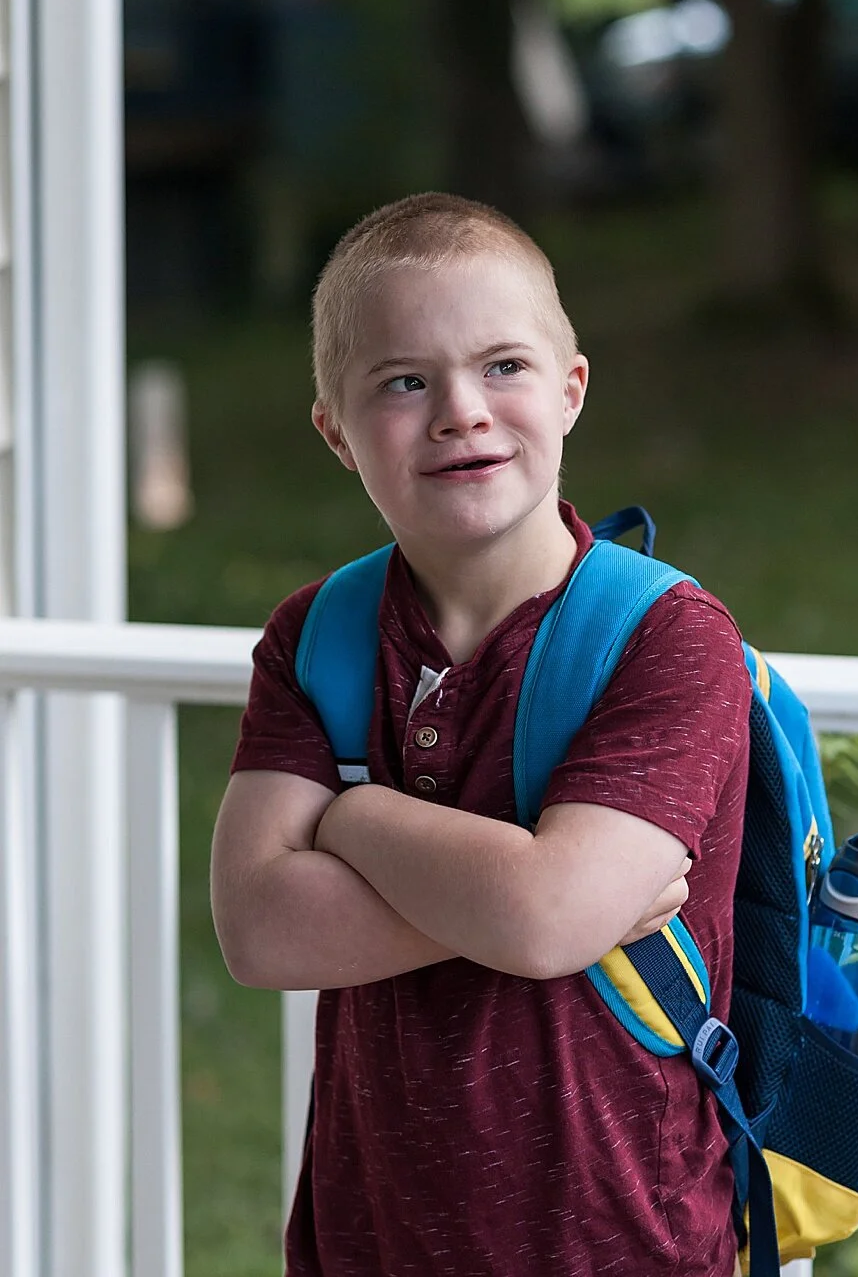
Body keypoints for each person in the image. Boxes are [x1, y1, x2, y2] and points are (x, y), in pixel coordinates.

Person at [210, 192, 752, 1276]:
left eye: (502, 365)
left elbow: (549, 920)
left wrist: (352, 817)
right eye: (404, 382)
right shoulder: (317, 639)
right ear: (335, 429)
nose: (461, 410)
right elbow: (260, 928)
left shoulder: (666, 638)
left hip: (618, 1242)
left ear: (570, 389)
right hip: (369, 1239)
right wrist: (521, 890)